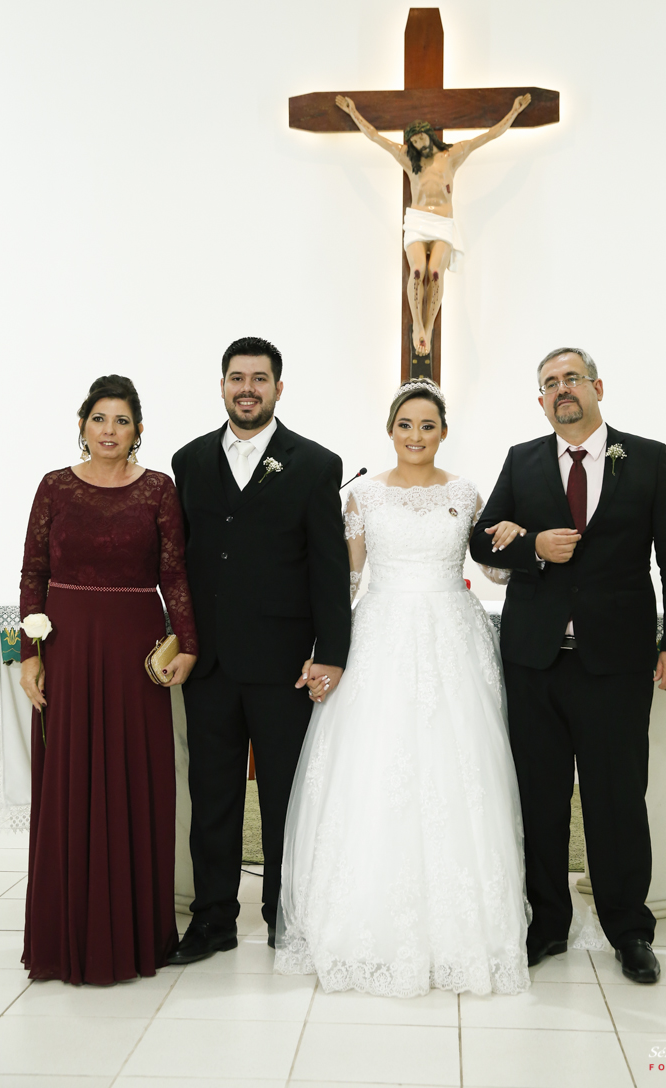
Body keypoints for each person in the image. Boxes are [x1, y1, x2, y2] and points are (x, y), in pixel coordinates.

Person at [275, 378, 530, 997]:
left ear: (444, 432)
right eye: (405, 425)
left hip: (452, 637)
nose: (416, 436)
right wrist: (325, 650)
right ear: (390, 430)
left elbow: (489, 569)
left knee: (457, 768)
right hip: (381, 635)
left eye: (428, 425)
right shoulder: (360, 494)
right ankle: (361, 918)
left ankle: (465, 925)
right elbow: (350, 577)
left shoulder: (466, 493)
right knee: (375, 766)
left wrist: (510, 543)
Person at [470, 347, 666, 985]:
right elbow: (482, 536)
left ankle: (628, 929)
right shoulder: (523, 460)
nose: (562, 389)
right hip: (535, 661)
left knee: (617, 798)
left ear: (597, 387)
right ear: (540, 401)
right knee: (540, 799)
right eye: (549, 383)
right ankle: (547, 926)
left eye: (572, 378)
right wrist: (535, 549)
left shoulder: (646, 458)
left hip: (616, 663)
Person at [168, 337, 352, 963]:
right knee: (212, 797)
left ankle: (283, 914)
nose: (248, 388)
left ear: (279, 387)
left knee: (283, 797)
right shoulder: (188, 461)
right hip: (210, 665)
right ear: (222, 385)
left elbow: (329, 569)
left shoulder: (315, 464)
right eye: (237, 377)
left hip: (284, 665)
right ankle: (213, 919)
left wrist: (331, 652)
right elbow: (181, 563)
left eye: (260, 378)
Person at [19, 375, 198, 985]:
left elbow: (175, 576)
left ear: (139, 431)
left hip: (134, 649)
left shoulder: (159, 491)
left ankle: (137, 935)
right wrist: (29, 653)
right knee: (70, 777)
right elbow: (32, 573)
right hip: (67, 645)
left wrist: (190, 646)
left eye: (122, 421)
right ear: (82, 423)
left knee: (135, 776)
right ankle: (64, 934)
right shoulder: (54, 488)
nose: (110, 431)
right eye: (100, 419)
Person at [335, 92, 531, 356]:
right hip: (417, 221)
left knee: (435, 273)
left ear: (430, 134)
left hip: (442, 222)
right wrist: (352, 111)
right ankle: (417, 325)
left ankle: (428, 326)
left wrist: (514, 111)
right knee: (418, 271)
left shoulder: (451, 156)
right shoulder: (408, 159)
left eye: (421, 138)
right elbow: (375, 137)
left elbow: (489, 135)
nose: (418, 144)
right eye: (413, 141)